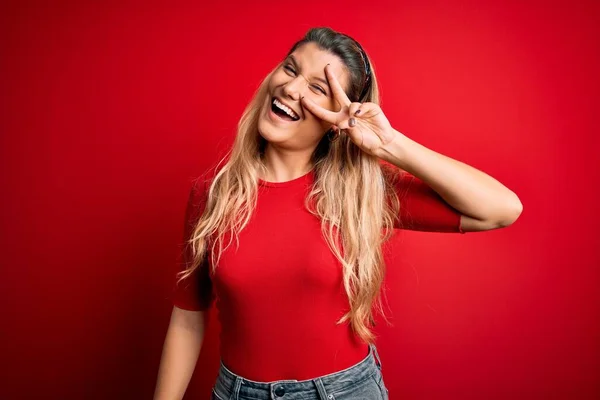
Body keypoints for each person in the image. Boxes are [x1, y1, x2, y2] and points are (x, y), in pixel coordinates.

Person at [154, 27, 523, 400]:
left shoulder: (361, 192)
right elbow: (188, 316)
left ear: (336, 118)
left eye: (317, 89)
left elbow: (500, 209)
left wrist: (389, 144)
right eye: (290, 69)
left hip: (343, 392)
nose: (292, 89)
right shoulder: (212, 195)